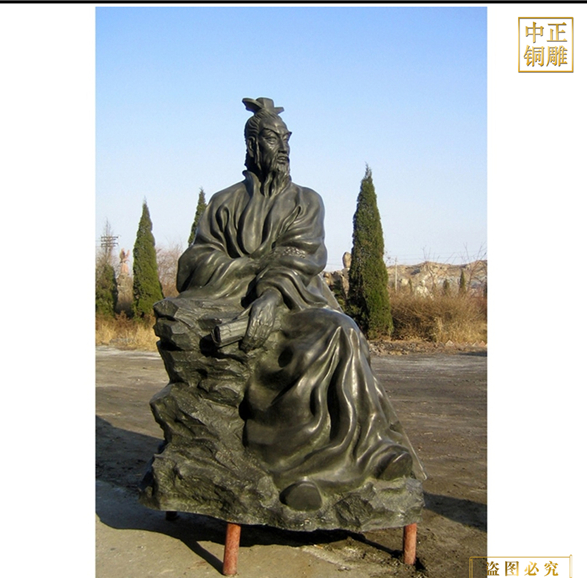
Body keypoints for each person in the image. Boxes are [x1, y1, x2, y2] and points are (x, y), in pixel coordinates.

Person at [161, 97, 425, 511]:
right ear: (252, 146)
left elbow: (301, 257)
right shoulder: (224, 203)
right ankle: (295, 469)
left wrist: (270, 294)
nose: (283, 147)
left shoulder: (306, 201)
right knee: (301, 352)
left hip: (297, 303)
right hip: (238, 308)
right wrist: (252, 273)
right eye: (273, 139)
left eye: (286, 139)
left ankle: (372, 453)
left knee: (342, 333)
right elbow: (194, 263)